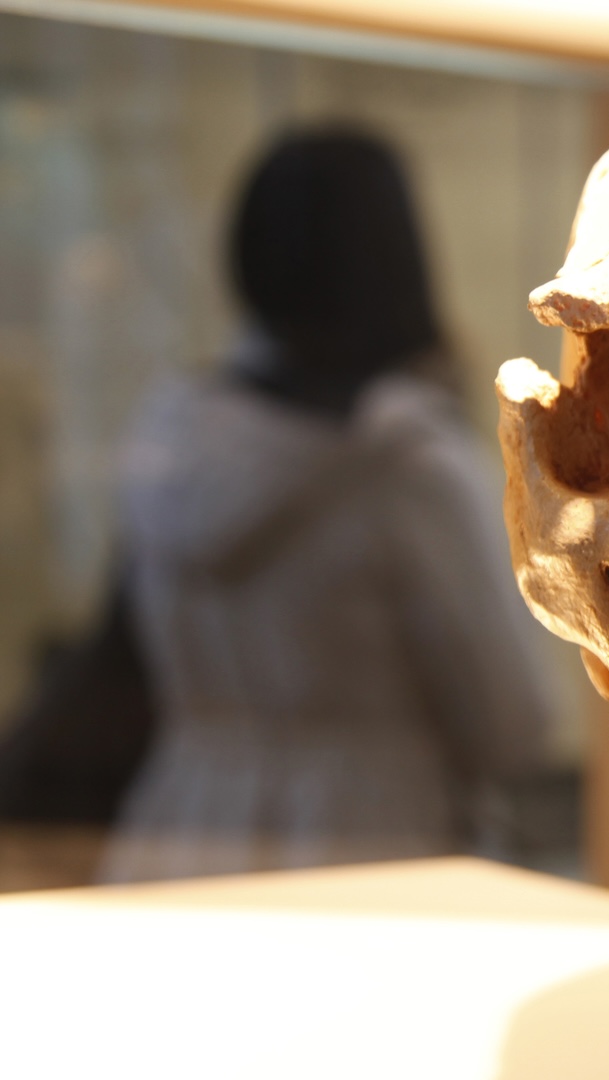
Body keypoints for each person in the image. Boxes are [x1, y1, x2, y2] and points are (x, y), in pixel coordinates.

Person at [98, 129, 559, 881]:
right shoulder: (412, 465)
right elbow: (514, 724)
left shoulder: (169, 435)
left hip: (176, 830)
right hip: (370, 848)